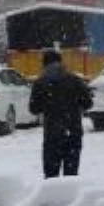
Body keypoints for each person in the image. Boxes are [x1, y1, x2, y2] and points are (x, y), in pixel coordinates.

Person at [28, 49, 93, 179]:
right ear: (60, 62)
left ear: (44, 64)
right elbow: (88, 103)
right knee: (71, 174)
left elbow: (34, 108)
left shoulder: (40, 82)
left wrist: (48, 104)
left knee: (51, 175)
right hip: (72, 131)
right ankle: (70, 197)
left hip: (52, 133)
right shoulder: (75, 79)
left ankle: (52, 198)